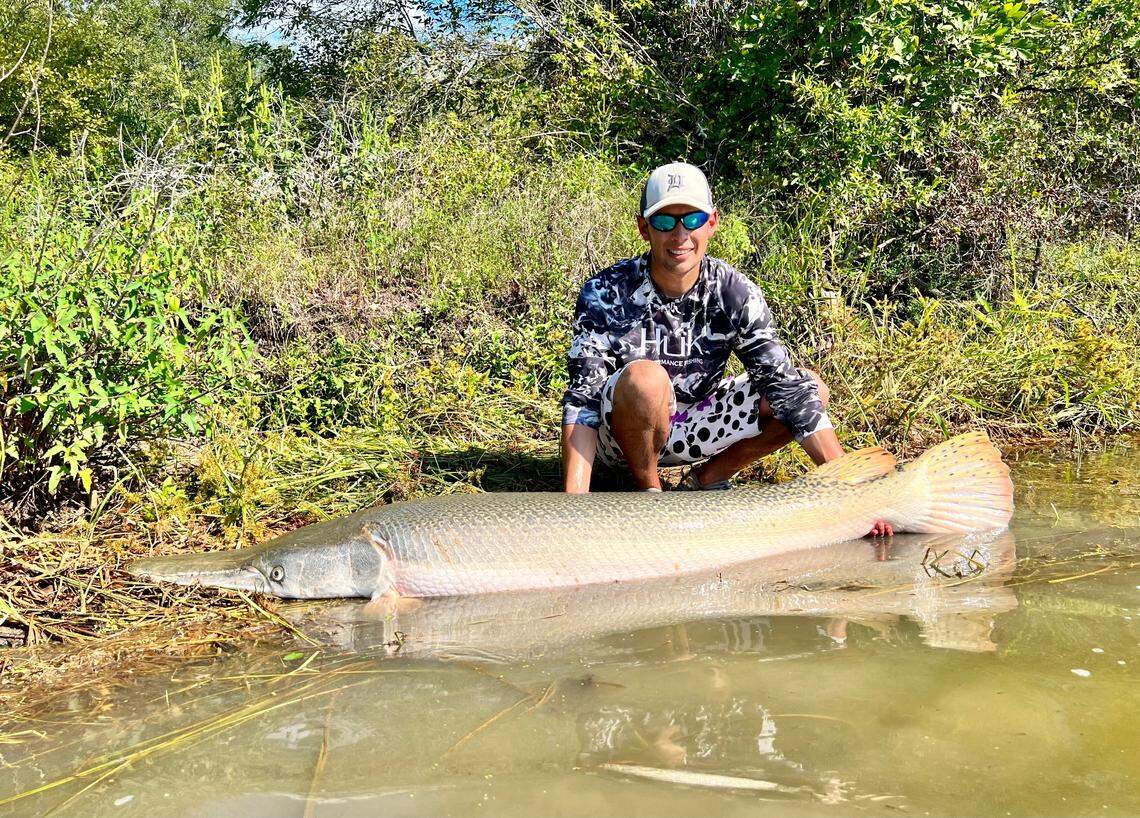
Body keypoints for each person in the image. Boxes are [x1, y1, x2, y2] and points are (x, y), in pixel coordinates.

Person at [560, 161, 892, 536]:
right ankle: (649, 494)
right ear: (644, 228)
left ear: (712, 223)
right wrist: (574, 508)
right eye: (665, 221)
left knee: (810, 388)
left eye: (693, 219)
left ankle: (707, 479)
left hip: (695, 425)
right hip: (619, 438)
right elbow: (583, 400)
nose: (680, 234)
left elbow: (785, 389)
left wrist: (853, 497)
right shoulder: (606, 291)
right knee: (646, 380)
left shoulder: (734, 291)